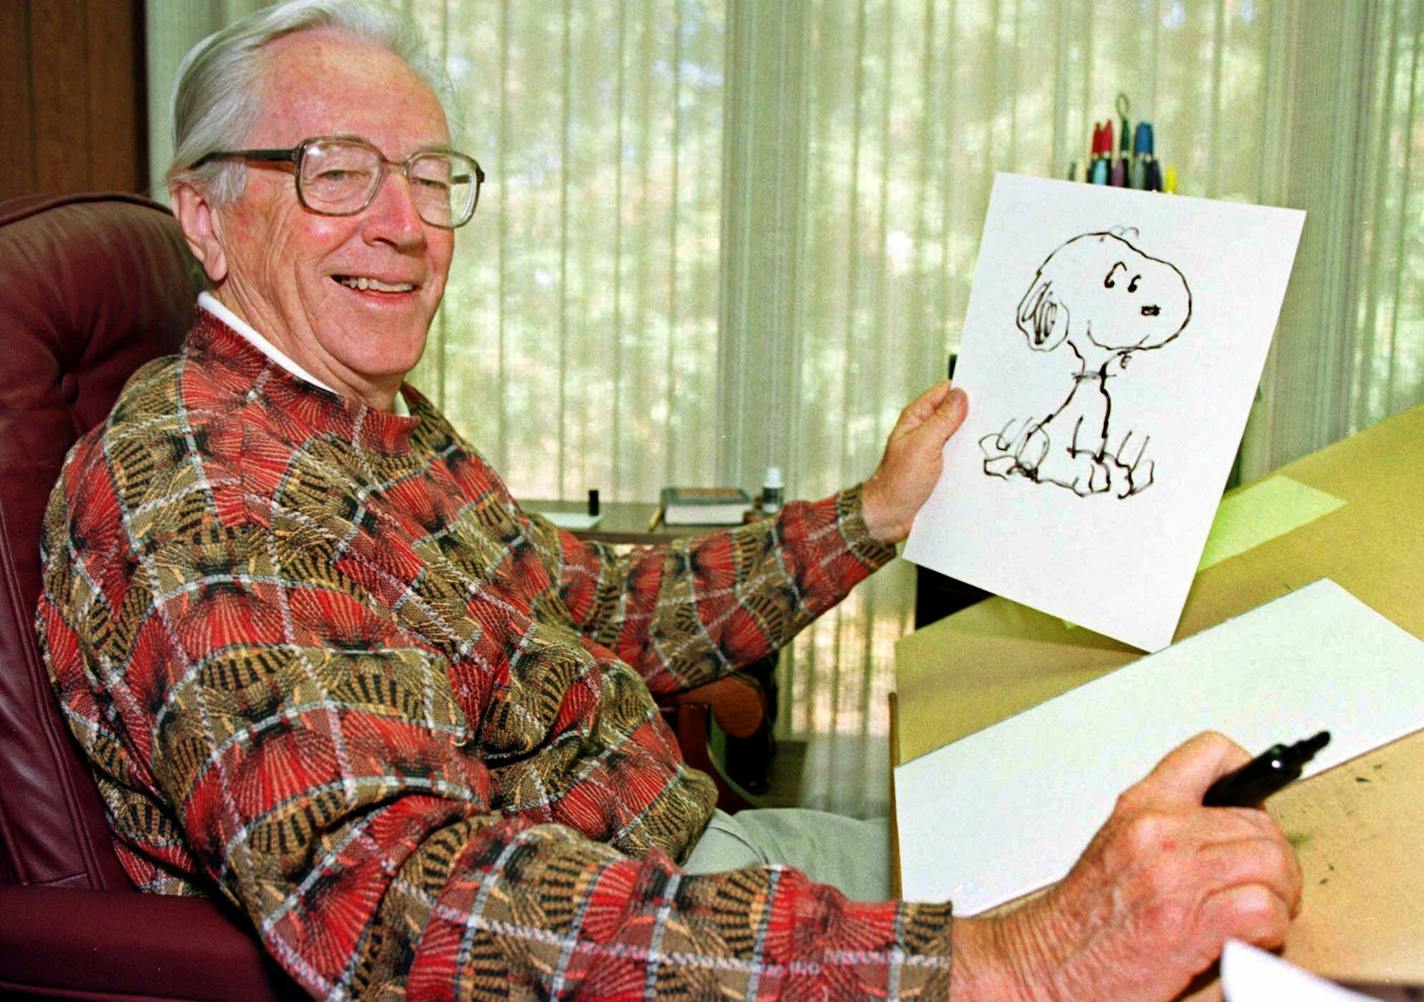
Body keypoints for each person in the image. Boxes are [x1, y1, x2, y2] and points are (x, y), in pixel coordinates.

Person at [36, 1, 1301, 998]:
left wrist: (869, 514)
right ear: (204, 215)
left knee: (1220, 865)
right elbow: (402, 907)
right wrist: (1010, 964)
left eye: (431, 175)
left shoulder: (360, 408)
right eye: (336, 171)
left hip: (691, 880)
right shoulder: (210, 499)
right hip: (639, 943)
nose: (408, 224)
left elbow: (586, 598)